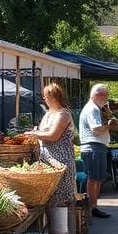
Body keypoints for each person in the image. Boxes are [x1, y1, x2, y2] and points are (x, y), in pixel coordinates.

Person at [31, 83, 77, 216]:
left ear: (53, 97)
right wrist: (37, 131)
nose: (45, 100)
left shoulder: (63, 114)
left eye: (46, 97)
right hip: (47, 160)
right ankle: (56, 231)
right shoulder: (49, 114)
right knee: (51, 197)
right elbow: (43, 132)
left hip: (60, 160)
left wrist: (34, 134)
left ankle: (66, 233)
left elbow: (53, 135)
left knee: (62, 197)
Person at [79, 84, 116, 219]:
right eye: (104, 95)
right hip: (93, 146)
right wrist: (109, 126)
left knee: (97, 178)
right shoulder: (93, 109)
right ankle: (92, 207)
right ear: (97, 95)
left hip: (96, 146)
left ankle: (93, 206)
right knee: (94, 178)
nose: (106, 98)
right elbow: (96, 129)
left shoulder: (95, 108)